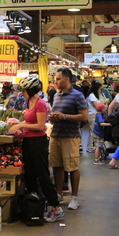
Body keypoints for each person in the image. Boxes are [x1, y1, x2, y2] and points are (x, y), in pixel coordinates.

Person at [10, 75, 64, 222]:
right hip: (28, 141)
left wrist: (21, 125)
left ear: (31, 90)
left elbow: (40, 126)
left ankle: (56, 207)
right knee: (30, 174)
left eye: (24, 91)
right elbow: (29, 120)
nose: (22, 93)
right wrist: (17, 123)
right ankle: (33, 206)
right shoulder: (29, 102)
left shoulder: (40, 104)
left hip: (38, 143)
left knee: (42, 174)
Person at [48, 68, 88, 211]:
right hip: (56, 135)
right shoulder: (56, 95)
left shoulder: (77, 95)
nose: (56, 81)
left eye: (58, 79)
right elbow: (56, 113)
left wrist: (64, 116)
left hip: (70, 136)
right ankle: (58, 194)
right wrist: (53, 117)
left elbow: (84, 116)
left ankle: (74, 197)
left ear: (66, 79)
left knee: (72, 167)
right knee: (57, 166)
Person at [86, 82, 103, 153]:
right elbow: (97, 106)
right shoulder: (92, 96)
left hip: (93, 114)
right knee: (93, 131)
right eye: (100, 89)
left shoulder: (93, 96)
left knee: (92, 130)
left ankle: (91, 146)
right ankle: (90, 147)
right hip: (92, 114)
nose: (100, 91)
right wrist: (103, 104)